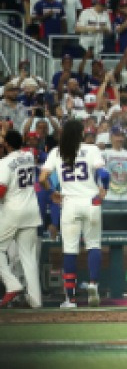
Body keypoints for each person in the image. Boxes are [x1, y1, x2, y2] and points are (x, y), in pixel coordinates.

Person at [39, 120, 110, 308]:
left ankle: (70, 298)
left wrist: (52, 191)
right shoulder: (91, 149)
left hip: (69, 203)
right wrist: (105, 189)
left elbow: (42, 178)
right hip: (91, 202)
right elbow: (104, 174)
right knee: (93, 245)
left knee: (69, 250)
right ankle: (93, 284)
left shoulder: (56, 152)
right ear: (81, 133)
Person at [0, 130, 43, 308]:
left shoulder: (4, 162)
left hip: (13, 211)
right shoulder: (29, 156)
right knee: (29, 258)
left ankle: (12, 283)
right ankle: (36, 301)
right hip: (31, 210)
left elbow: (1, 190)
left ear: (8, 145)